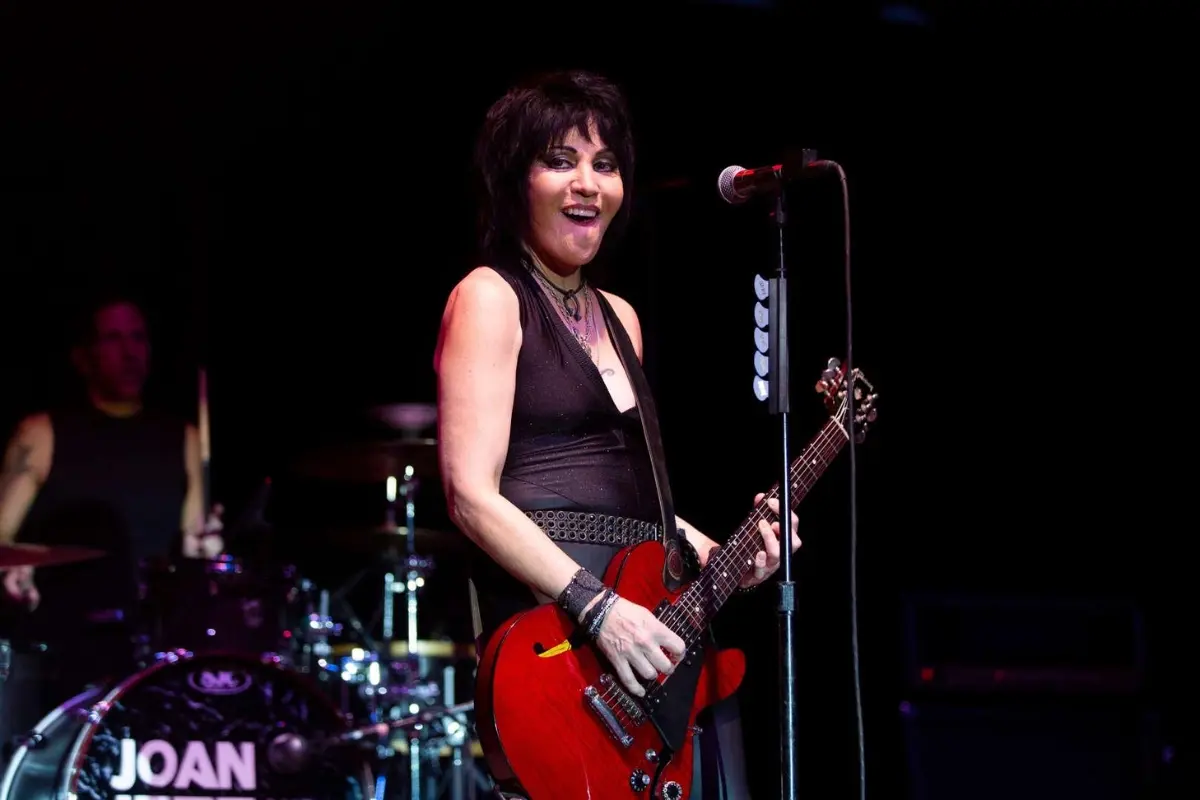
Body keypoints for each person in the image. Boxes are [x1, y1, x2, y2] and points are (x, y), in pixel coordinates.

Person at [434, 70, 801, 798]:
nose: (588, 183)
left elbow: (640, 507)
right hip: (559, 653)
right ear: (515, 181)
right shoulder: (489, 297)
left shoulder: (622, 317)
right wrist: (598, 609)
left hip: (647, 659)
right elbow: (469, 495)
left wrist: (729, 556)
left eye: (605, 165)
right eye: (561, 160)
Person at [0, 291, 223, 720]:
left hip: (151, 646)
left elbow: (190, 544)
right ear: (82, 358)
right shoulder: (42, 433)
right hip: (60, 646)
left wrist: (204, 548)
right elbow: (2, 544)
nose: (129, 352)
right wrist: (15, 578)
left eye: (138, 338)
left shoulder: (184, 438)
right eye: (113, 339)